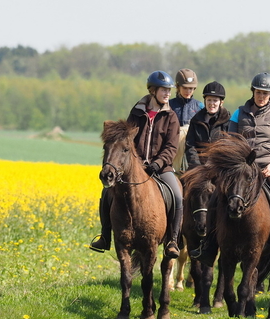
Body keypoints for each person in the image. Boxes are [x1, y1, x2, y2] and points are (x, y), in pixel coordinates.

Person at [190, 72, 270, 265]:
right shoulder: (238, 113)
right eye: (258, 92)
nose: (261, 96)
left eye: (265, 94)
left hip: (268, 166)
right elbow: (231, 142)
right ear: (253, 92)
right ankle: (208, 245)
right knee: (215, 198)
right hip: (241, 168)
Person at [90, 70, 183, 260]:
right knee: (106, 192)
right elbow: (127, 141)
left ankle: (172, 240)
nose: (167, 94)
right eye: (164, 90)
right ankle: (105, 236)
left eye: (169, 90)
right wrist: (136, 164)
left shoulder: (171, 117)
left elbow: (171, 147)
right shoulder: (137, 112)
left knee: (178, 195)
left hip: (161, 168)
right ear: (152, 90)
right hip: (135, 168)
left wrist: (157, 163)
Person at [184, 81, 231, 170]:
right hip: (198, 167)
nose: (211, 103)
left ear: (221, 102)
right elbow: (190, 145)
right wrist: (196, 166)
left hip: (220, 168)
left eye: (215, 100)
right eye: (209, 100)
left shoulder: (228, 121)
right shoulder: (195, 120)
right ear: (205, 101)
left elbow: (229, 148)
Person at [170, 68, 204, 175]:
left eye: (191, 88)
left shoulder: (200, 106)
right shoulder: (169, 105)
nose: (188, 91)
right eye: (185, 88)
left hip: (192, 150)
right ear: (178, 87)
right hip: (173, 149)